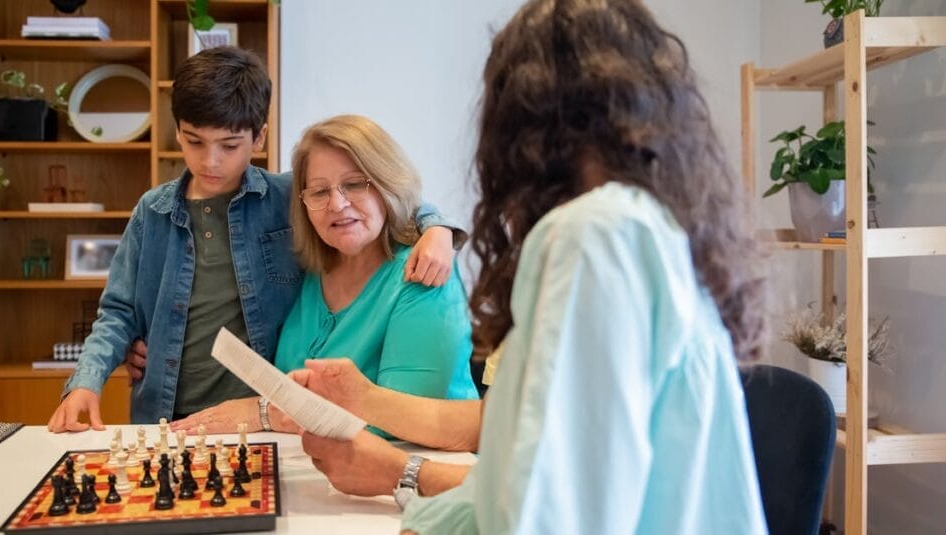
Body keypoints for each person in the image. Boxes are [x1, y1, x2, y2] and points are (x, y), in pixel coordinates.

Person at [299, 0, 769, 532]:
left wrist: (400, 476)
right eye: (318, 191)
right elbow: (515, 483)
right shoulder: (648, 228)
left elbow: (549, 514)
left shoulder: (594, 238)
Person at [46, 47, 462, 432]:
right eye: (195, 142)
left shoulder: (286, 197)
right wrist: (88, 379)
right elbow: (118, 310)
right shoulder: (151, 213)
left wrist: (437, 227)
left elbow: (383, 196)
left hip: (262, 418)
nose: (210, 161)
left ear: (259, 138)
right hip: (167, 414)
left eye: (229, 145)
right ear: (177, 132)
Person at [167, 115, 479, 435]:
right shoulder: (313, 273)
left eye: (355, 184)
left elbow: (401, 423)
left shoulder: (425, 274)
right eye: (318, 192)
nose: (337, 204)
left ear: (388, 184)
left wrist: (264, 412)